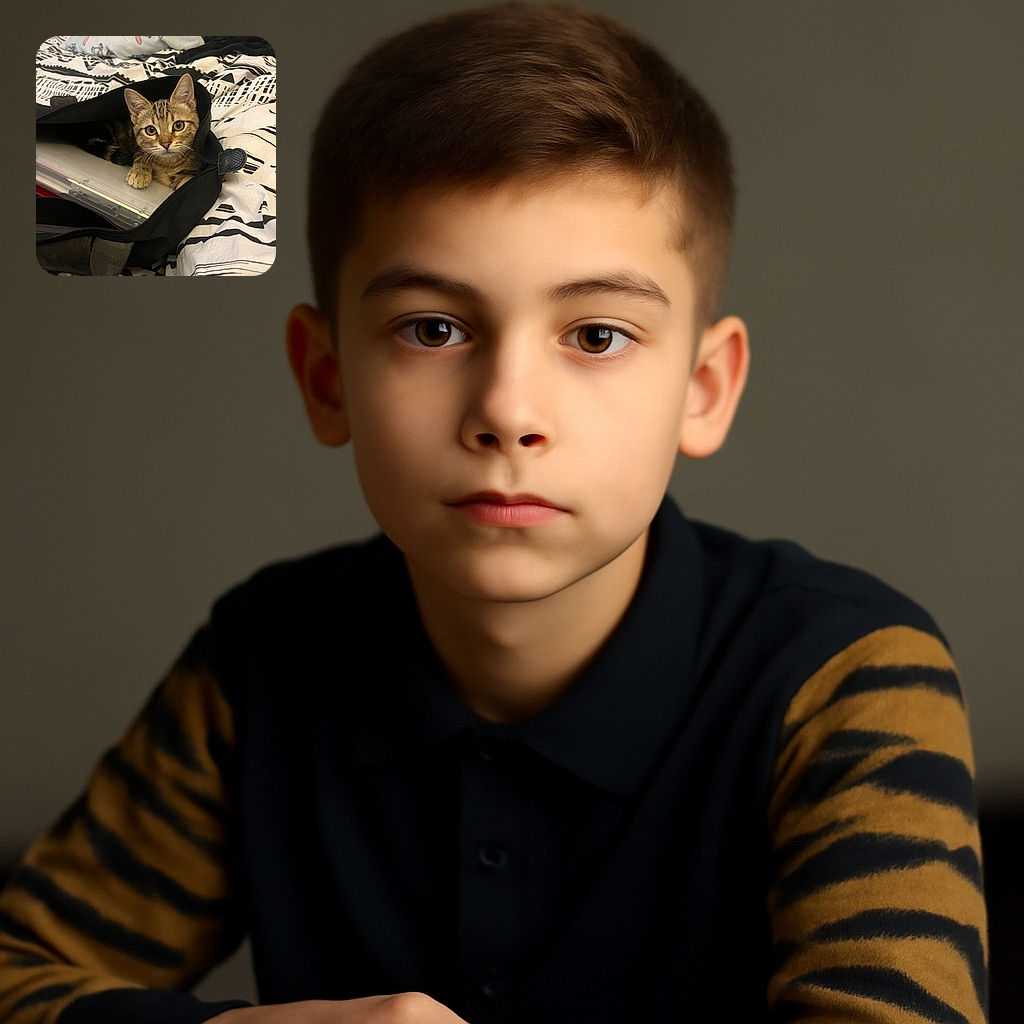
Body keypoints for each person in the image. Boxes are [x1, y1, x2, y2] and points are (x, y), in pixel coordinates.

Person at [0, 4, 987, 1023]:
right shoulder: (262, 668)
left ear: (703, 389)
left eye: (596, 335)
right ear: (327, 380)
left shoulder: (846, 677)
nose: (509, 411)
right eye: (432, 329)